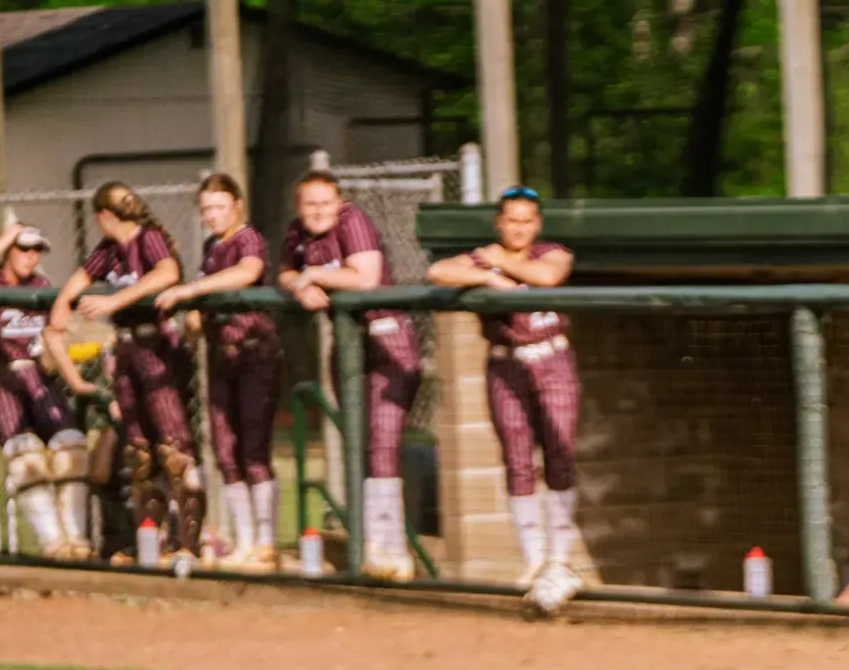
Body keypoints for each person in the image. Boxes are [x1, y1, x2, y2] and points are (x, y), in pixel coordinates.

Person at [426, 185, 582, 609]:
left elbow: (548, 275)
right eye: (511, 220)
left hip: (551, 358)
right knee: (517, 459)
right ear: (499, 222)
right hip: (505, 361)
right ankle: (534, 559)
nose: (518, 228)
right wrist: (485, 275)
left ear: (538, 223)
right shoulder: (483, 258)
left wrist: (498, 263)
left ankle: (559, 558)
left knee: (560, 454)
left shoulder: (551, 251)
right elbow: (439, 271)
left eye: (526, 221)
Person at [45, 181, 199, 557]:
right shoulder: (109, 248)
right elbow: (82, 277)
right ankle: (151, 544)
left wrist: (115, 301)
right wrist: (62, 303)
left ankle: (188, 544)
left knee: (175, 451)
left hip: (157, 346)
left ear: (104, 216)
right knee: (139, 453)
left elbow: (167, 272)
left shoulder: (148, 238)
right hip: (127, 350)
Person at [281, 170, 421, 582]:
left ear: (339, 201)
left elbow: (365, 277)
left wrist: (314, 276)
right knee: (359, 444)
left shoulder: (352, 219)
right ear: (299, 207)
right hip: (347, 346)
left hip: (386, 339)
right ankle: (370, 546)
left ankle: (391, 550)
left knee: (382, 442)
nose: (319, 211)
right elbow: (285, 270)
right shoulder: (297, 232)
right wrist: (298, 285)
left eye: (326, 202)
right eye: (310, 204)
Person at [157, 173, 279, 571]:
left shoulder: (248, 239)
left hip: (253, 353)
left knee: (253, 449)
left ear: (237, 205)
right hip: (219, 355)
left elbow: (247, 272)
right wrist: (194, 318)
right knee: (226, 451)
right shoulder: (211, 247)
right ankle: (244, 540)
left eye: (219, 207)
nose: (212, 215)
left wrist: (194, 291)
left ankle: (265, 542)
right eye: (206, 209)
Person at [0, 223, 90, 561]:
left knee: (72, 443)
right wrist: (6, 236)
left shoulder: (41, 287)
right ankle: (53, 542)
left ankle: (76, 539)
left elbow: (53, 339)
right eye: (24, 248)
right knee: (26, 452)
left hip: (36, 376)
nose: (31, 256)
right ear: (8, 251)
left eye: (37, 250)